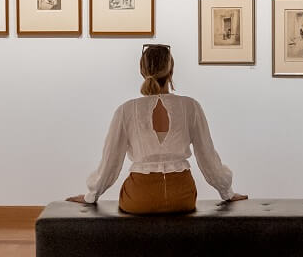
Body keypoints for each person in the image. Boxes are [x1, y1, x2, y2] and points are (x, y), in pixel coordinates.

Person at [69, 44, 245, 214]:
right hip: (182, 196)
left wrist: (91, 195)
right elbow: (208, 157)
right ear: (171, 70)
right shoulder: (191, 106)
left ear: (142, 71)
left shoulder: (126, 110)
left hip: (140, 197)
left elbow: (111, 162)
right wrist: (226, 192)